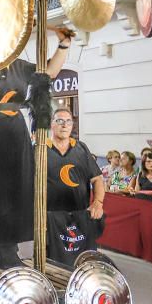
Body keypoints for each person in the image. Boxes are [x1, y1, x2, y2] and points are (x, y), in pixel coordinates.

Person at [0, 27, 74, 280]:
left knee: (12, 194)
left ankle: (8, 255)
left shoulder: (19, 66)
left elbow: (49, 73)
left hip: (13, 135)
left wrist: (63, 46)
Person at [46, 107, 105, 267]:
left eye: (68, 121)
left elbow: (98, 180)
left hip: (80, 218)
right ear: (51, 124)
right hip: (51, 220)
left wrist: (98, 202)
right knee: (53, 265)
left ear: (72, 126)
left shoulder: (81, 148)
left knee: (82, 264)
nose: (64, 125)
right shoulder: (40, 149)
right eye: (59, 121)